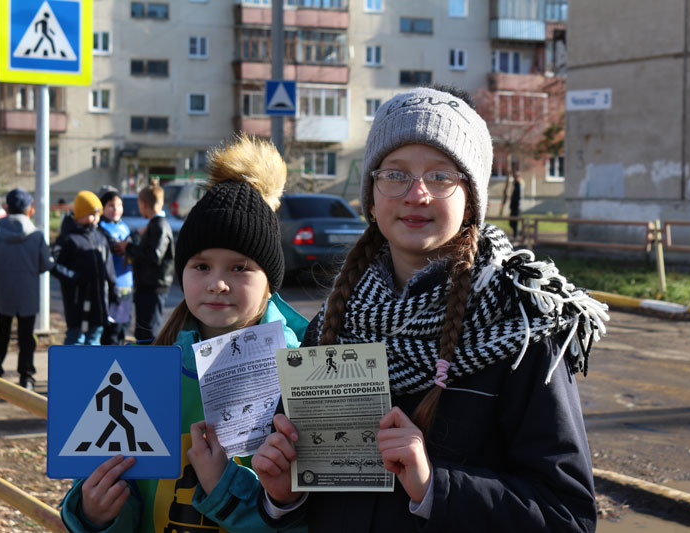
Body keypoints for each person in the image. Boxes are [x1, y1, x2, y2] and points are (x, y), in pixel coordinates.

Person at [251, 86, 609, 532]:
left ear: (471, 198)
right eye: (395, 174)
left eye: (441, 177)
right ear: (373, 192)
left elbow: (567, 517)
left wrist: (433, 486)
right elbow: (311, 500)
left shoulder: (519, 328)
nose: (416, 194)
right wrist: (285, 496)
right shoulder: (335, 324)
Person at [60, 134, 309, 532]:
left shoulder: (305, 378)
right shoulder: (137, 374)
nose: (218, 283)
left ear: (270, 282)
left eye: (240, 268)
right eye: (201, 266)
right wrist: (95, 514)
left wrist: (228, 488)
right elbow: (104, 493)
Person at [0, 188, 52, 391]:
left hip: (4, 293)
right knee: (26, 336)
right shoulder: (36, 236)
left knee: (1, 334)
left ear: (8, 208)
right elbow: (46, 264)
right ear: (28, 209)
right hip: (28, 295)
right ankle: (26, 377)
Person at [51, 191, 118, 346]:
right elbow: (54, 265)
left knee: (95, 338)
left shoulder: (100, 237)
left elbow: (108, 266)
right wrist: (74, 277)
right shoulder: (68, 239)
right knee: (76, 338)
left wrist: (113, 288)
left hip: (99, 302)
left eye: (97, 215)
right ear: (80, 214)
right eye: (91, 215)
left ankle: (93, 370)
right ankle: (71, 369)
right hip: (77, 302)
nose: (95, 219)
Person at [112, 182, 174, 343]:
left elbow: (154, 255)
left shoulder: (159, 225)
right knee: (142, 331)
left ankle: (150, 364)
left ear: (143, 204)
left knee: (149, 331)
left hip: (153, 287)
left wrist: (129, 247)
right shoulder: (154, 225)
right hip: (147, 286)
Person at [97, 190, 133, 345]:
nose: (116, 209)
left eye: (119, 205)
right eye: (111, 205)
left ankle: (119, 366)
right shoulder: (100, 228)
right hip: (111, 288)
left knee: (121, 330)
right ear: (103, 208)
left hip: (127, 287)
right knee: (111, 333)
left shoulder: (125, 227)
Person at [509, 171, 522, 239]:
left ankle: (516, 235)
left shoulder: (518, 185)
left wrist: (516, 205)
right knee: (511, 222)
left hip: (516, 207)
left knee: (515, 222)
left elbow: (518, 197)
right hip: (513, 207)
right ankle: (517, 233)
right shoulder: (515, 185)